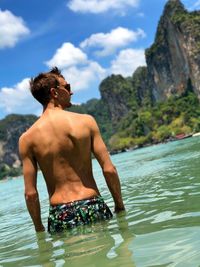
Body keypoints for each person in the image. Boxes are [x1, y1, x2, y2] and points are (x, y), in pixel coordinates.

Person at [19, 67, 125, 233]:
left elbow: (30, 194)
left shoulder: (27, 139)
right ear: (54, 92)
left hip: (60, 214)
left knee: (72, 258)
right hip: (92, 204)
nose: (72, 92)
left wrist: (39, 228)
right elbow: (109, 170)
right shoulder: (86, 122)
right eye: (67, 88)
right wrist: (119, 205)